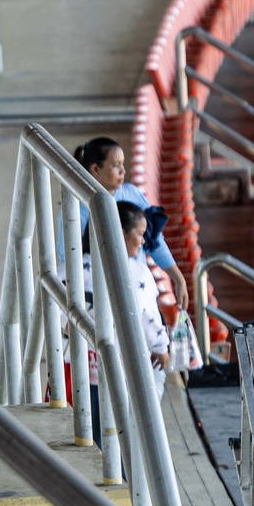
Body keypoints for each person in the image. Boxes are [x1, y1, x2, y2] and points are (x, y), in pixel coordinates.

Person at [81, 202, 171, 421]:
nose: (142, 241)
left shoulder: (72, 268)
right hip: (121, 370)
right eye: (139, 234)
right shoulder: (137, 272)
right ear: (121, 234)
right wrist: (161, 347)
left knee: (90, 435)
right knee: (126, 435)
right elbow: (146, 315)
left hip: (81, 370)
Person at [73, 137, 188, 303]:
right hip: (101, 298)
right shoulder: (76, 211)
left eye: (122, 163)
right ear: (95, 169)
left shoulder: (132, 194)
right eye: (115, 165)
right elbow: (69, 260)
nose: (123, 171)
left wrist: (178, 279)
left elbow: (153, 240)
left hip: (138, 291)